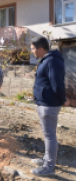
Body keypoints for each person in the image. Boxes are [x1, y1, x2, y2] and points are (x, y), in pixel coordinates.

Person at [29, 37, 68, 176]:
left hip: (49, 104)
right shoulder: (47, 60)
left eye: (33, 48)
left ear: (40, 49)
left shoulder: (52, 61)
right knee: (47, 134)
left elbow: (57, 84)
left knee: (50, 135)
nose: (32, 51)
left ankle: (48, 167)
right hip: (44, 102)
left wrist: (63, 99)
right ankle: (46, 159)